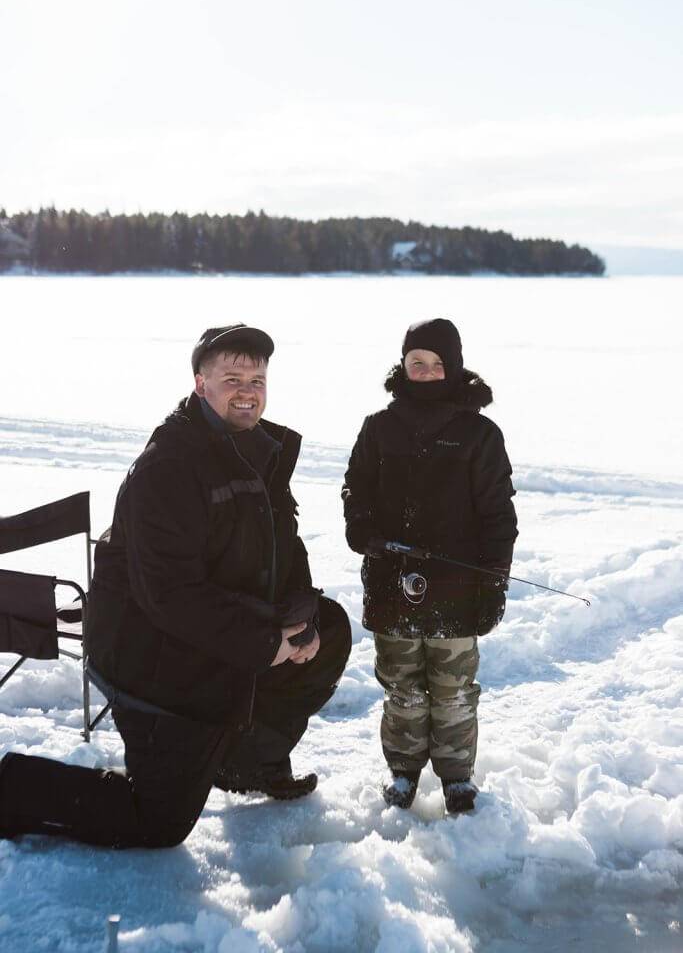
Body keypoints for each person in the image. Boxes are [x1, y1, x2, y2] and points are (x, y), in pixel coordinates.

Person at [0, 324, 351, 848]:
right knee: (157, 822)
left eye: (257, 378)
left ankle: (242, 766)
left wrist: (302, 621)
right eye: (232, 377)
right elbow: (171, 597)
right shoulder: (169, 466)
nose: (248, 391)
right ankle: (14, 787)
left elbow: (287, 551)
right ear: (199, 383)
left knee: (332, 629)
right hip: (152, 654)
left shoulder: (260, 454)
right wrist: (262, 644)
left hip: (212, 632)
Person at [342, 318, 517, 814]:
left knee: (453, 690)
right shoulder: (379, 427)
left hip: (459, 589)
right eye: (416, 362)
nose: (424, 372)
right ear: (404, 365)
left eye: (435, 363)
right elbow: (355, 487)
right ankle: (403, 772)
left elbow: (499, 517)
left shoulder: (479, 434)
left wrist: (493, 584)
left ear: (453, 366)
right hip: (391, 582)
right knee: (402, 689)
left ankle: (457, 776)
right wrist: (362, 530)